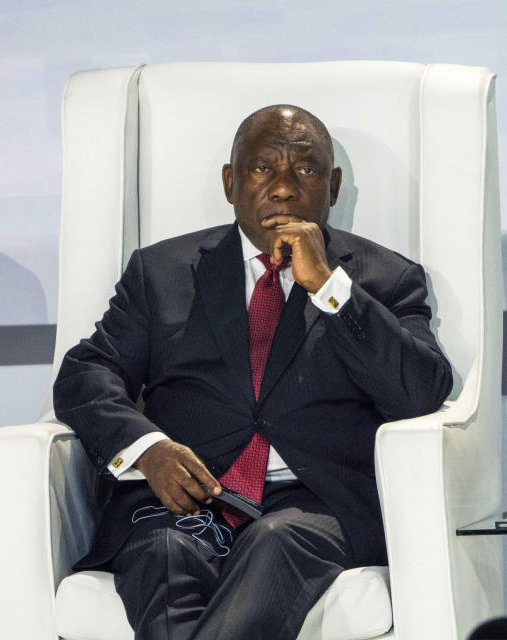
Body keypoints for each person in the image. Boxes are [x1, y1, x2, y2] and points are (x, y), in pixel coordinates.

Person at [53, 104, 453, 640]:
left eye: (306, 171)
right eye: (263, 169)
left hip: (315, 505)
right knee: (166, 550)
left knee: (276, 541)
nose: (284, 189)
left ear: (333, 186)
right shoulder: (162, 272)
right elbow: (86, 373)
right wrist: (147, 450)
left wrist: (331, 290)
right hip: (187, 498)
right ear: (230, 182)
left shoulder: (385, 279)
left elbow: (420, 393)